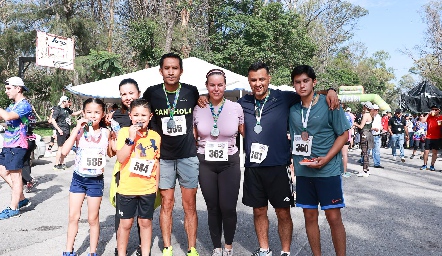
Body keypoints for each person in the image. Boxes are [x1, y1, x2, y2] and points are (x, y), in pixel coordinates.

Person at [237, 62, 339, 256]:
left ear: (269, 79)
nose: (258, 83)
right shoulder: (243, 103)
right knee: (258, 210)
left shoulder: (282, 97)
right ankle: (264, 249)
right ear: (249, 81)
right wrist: (203, 97)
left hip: (278, 165)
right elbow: (218, 103)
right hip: (253, 166)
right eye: (253, 80)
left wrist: (331, 91)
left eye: (261, 79)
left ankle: (285, 251)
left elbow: (308, 92)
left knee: (282, 211)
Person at [142, 53, 200, 256]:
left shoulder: (192, 91)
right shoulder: (152, 93)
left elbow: (204, 106)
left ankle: (192, 248)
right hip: (163, 157)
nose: (171, 72)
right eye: (167, 68)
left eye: (175, 68)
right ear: (161, 71)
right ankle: (167, 247)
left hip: (188, 156)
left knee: (189, 205)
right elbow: (140, 114)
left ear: (181, 71)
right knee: (167, 203)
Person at [289, 65, 349, 256]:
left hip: (327, 169)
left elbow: (344, 134)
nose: (302, 85)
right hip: (305, 170)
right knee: (309, 216)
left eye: (306, 81)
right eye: (297, 82)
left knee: (333, 217)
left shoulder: (330, 103)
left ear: (314, 82)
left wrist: (327, 158)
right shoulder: (292, 109)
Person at [193, 69, 244, 256]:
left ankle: (228, 246)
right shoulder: (198, 107)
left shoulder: (235, 107)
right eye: (212, 85)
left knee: (228, 207)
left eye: (220, 85)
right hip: (205, 162)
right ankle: (216, 246)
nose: (216, 89)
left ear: (225, 85)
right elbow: (193, 136)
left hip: (229, 162)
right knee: (213, 207)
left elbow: (245, 132)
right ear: (206, 86)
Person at [61, 98, 110, 256]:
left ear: (103, 114)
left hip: (95, 181)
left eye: (97, 112)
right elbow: (64, 151)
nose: (92, 115)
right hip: (78, 179)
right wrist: (76, 128)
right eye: (89, 112)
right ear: (83, 113)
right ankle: (68, 250)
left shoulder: (106, 132)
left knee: (92, 218)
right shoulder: (80, 132)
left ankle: (93, 252)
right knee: (73, 216)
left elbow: (112, 151)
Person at [116, 99, 161, 256]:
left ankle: (145, 252)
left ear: (150, 117)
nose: (139, 118)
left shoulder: (155, 136)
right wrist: (131, 138)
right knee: (126, 223)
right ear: (130, 116)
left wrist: (156, 186)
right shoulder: (124, 132)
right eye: (136, 115)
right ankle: (121, 253)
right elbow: (121, 158)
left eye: (143, 115)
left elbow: (157, 163)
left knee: (145, 222)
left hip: (147, 188)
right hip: (127, 188)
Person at [108, 78, 143, 256]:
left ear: (139, 93)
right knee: (121, 213)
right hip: (123, 170)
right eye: (124, 94)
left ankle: (141, 246)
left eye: (131, 93)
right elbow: (111, 148)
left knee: (142, 215)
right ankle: (120, 246)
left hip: (144, 169)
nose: (128, 97)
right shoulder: (116, 117)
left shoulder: (146, 112)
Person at [0, 77, 33, 220]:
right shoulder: (12, 105)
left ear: (18, 88)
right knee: (2, 170)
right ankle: (20, 197)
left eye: (8, 88)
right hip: (8, 144)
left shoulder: (24, 105)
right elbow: (4, 118)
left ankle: (13, 208)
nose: (6, 91)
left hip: (17, 145)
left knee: (16, 175)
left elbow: (7, 116)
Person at [51, 96, 81, 170]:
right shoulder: (57, 109)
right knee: (60, 148)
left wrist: (82, 110)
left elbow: (73, 114)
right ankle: (56, 164)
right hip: (61, 131)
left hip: (67, 130)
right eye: (68, 101)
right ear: (63, 102)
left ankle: (61, 163)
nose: (69, 103)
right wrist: (58, 129)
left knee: (65, 148)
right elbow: (53, 120)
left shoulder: (67, 109)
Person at [353, 102, 373, 177]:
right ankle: (367, 169)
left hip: (364, 134)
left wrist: (355, 124)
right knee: (366, 153)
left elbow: (361, 126)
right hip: (369, 134)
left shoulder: (365, 115)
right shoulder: (371, 115)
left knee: (364, 152)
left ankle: (365, 170)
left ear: (365, 107)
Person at [420, 105, 442, 171]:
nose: (434, 111)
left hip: (437, 137)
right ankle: (425, 165)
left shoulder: (441, 117)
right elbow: (422, 121)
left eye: (435, 109)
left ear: (439, 110)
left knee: (435, 152)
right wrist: (428, 114)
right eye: (433, 109)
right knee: (426, 152)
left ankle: (432, 165)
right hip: (429, 137)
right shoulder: (429, 117)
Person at [370, 104, 384, 168]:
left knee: (377, 150)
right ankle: (363, 161)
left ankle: (377, 164)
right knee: (367, 150)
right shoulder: (369, 116)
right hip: (370, 135)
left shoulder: (378, 116)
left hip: (377, 135)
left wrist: (381, 128)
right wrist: (373, 129)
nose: (376, 111)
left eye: (377, 110)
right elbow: (366, 127)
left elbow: (380, 124)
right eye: (375, 110)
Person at [342, 107, 353, 177]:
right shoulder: (348, 115)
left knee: (338, 155)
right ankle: (344, 171)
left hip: (340, 135)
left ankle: (340, 171)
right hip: (347, 136)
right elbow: (351, 126)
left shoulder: (339, 115)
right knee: (345, 154)